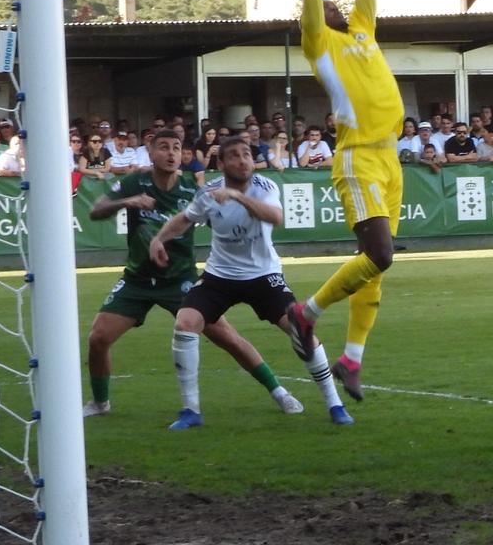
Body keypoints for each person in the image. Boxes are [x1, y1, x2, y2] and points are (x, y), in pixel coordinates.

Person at [283, 0, 405, 404]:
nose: (328, 2)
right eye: (319, 5)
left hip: (391, 160)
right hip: (356, 158)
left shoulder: (361, 29)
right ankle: (303, 314)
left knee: (374, 266)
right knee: (380, 254)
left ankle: (352, 361)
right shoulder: (318, 43)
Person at [81, 128, 288, 419]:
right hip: (137, 279)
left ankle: (279, 391)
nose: (170, 153)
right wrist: (127, 202)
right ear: (150, 151)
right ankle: (100, 403)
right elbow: (96, 211)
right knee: (98, 338)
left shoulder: (195, 189)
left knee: (227, 337)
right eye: (163, 147)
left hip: (181, 280)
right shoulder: (135, 182)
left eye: (176, 148)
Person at [146, 138, 352, 428]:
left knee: (299, 328)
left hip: (263, 275)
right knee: (185, 322)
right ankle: (190, 411)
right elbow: (185, 218)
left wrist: (237, 196)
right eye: (234, 156)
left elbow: (275, 217)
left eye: (247, 155)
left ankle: (334, 403)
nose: (243, 160)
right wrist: (159, 238)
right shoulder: (208, 192)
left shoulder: (265, 187)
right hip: (221, 276)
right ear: (221, 164)